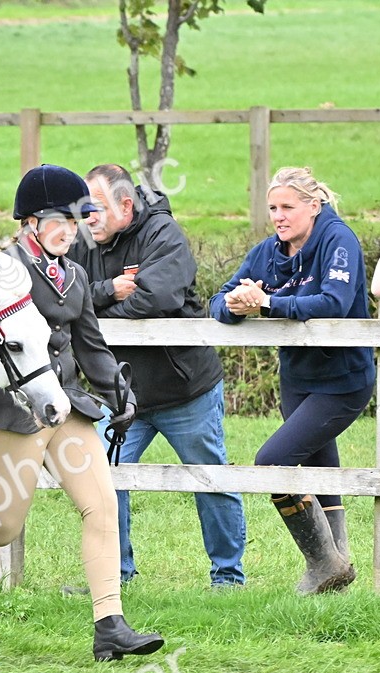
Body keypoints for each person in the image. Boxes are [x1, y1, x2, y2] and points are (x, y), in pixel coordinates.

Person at [0, 164, 164, 661]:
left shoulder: (73, 274)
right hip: (16, 408)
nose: (72, 230)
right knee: (3, 527)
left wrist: (120, 394)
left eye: (78, 221)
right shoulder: (3, 270)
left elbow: (90, 345)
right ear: (30, 222)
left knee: (102, 506)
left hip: (68, 406)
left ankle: (110, 625)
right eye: (62, 220)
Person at [67, 163, 246, 587]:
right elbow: (67, 295)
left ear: (126, 205)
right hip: (121, 394)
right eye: (82, 210)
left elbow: (157, 297)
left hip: (185, 389)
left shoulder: (164, 235)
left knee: (210, 479)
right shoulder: (84, 238)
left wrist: (95, 310)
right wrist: (109, 291)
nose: (87, 218)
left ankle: (228, 579)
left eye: (95, 209)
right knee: (105, 484)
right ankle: (115, 576)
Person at [210, 167, 371, 594]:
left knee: (271, 461)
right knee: (320, 467)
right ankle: (338, 569)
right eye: (272, 208)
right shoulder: (268, 252)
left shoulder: (339, 240)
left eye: (287, 207)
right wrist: (235, 304)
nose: (278, 216)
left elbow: (334, 302)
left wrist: (269, 303)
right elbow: (217, 301)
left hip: (342, 380)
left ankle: (322, 564)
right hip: (296, 378)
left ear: (314, 207)